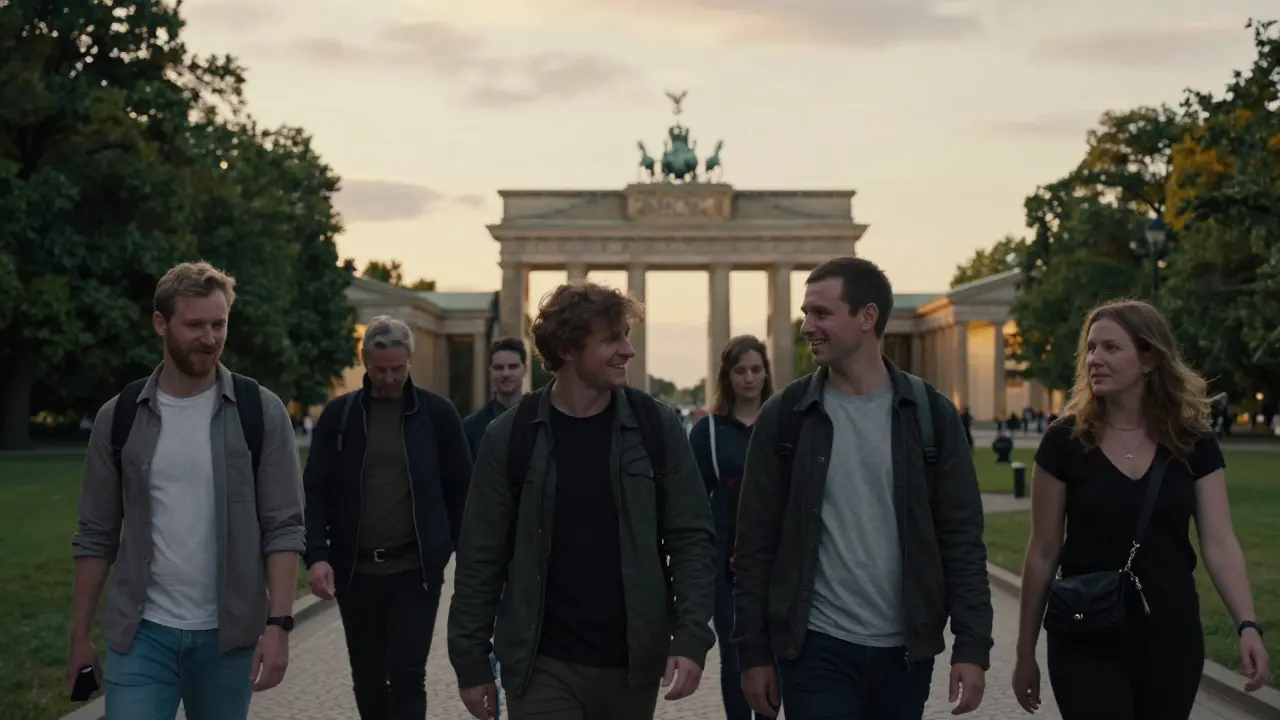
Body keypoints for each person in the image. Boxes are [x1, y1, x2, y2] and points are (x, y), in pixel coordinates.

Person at [734, 256, 993, 719]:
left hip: (905, 652)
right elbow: (754, 544)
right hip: (815, 646)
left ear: (867, 317)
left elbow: (962, 539)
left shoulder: (930, 414)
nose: (806, 326)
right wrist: (752, 654)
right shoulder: (785, 416)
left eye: (821, 313)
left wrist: (972, 646)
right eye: (805, 313)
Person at [447, 281, 717, 720]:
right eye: (613, 338)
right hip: (541, 663)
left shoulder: (657, 427)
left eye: (627, 336)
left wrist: (690, 637)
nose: (628, 350)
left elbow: (692, 539)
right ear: (569, 348)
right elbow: (480, 556)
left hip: (632, 664)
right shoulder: (511, 437)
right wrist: (470, 660)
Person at [68, 261, 305, 719]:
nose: (211, 338)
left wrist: (278, 626)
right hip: (142, 636)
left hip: (229, 638)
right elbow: (95, 535)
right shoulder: (119, 418)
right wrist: (79, 636)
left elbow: (284, 527)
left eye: (219, 324)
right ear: (161, 323)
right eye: (195, 325)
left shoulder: (261, 411)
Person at [1012, 299, 1269, 720]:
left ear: (1149, 358)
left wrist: (1247, 625)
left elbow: (1220, 543)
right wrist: (1025, 653)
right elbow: (1042, 552)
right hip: (1084, 634)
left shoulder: (1193, 442)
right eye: (1091, 349)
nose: (1095, 359)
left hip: (1170, 635)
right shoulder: (1064, 442)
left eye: (1111, 348)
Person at [303, 315, 473, 720]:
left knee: (408, 673)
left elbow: (462, 492)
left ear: (410, 361)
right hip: (355, 572)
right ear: (364, 361)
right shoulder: (339, 417)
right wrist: (316, 554)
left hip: (414, 571)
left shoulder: (437, 415)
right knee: (367, 674)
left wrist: (445, 546)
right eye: (380, 370)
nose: (389, 378)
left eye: (398, 368)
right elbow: (314, 491)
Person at [688, 335, 774, 720]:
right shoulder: (707, 433)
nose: (749, 378)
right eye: (740, 370)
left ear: (766, 373)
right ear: (728, 376)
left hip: (778, 566)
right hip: (727, 570)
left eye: (756, 369)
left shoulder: (782, 424)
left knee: (772, 656)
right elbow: (691, 506)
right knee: (736, 657)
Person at [462, 336, 529, 460]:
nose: (506, 374)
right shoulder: (471, 427)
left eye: (513, 367)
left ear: (525, 369)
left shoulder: (541, 419)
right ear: (490, 372)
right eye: (498, 368)